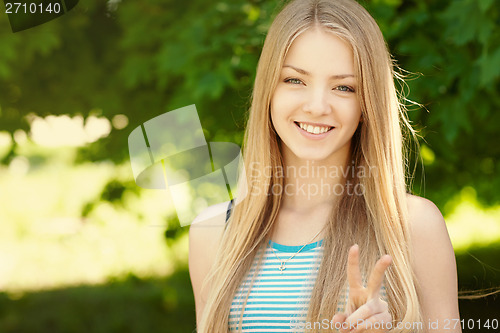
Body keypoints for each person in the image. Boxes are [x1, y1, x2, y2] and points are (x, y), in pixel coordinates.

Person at [189, 0, 461, 332]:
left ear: (367, 104)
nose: (317, 106)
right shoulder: (214, 234)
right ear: (268, 90)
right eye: (294, 80)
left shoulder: (412, 226)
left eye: (343, 87)